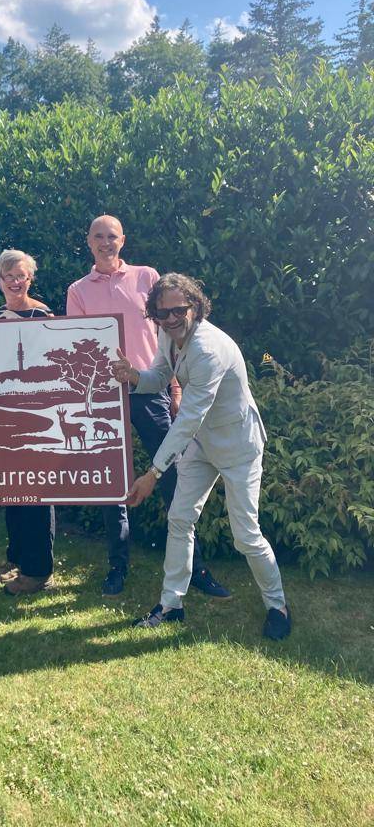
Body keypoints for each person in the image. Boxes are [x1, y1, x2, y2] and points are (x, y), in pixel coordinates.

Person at [113, 273, 291, 640]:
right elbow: (161, 376)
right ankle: (171, 605)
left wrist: (153, 474)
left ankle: (278, 606)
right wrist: (134, 376)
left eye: (179, 310)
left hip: (238, 446)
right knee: (179, 518)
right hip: (202, 445)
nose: (171, 318)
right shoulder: (168, 334)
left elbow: (188, 419)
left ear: (195, 306)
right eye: (162, 313)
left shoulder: (208, 350)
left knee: (246, 535)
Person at [67, 215, 230, 599]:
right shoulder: (78, 290)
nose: (106, 242)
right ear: (88, 241)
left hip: (148, 388)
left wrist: (173, 387)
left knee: (173, 475)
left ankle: (195, 568)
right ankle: (117, 566)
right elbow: (78, 342)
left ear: (123, 240)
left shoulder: (146, 277)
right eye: (98, 237)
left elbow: (166, 333)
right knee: (111, 482)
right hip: (104, 396)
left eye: (112, 236)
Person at [0, 249, 55, 596]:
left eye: (21, 275)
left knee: (38, 492)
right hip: (6, 414)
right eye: (8, 276)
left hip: (38, 410)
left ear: (30, 279)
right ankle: (16, 558)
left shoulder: (44, 314)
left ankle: (38, 570)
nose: (15, 281)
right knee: (11, 488)